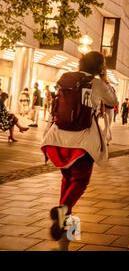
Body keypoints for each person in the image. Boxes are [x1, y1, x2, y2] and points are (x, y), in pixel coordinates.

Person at [41, 51, 118, 241]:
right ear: (100, 67)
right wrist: (104, 79)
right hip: (83, 140)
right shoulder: (97, 83)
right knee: (81, 180)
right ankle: (63, 210)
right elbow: (113, 102)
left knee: (67, 178)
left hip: (58, 137)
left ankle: (64, 222)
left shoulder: (65, 78)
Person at [102, 80, 116, 145]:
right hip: (108, 110)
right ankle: (107, 138)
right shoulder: (109, 91)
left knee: (108, 125)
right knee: (108, 125)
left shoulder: (110, 91)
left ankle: (105, 138)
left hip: (109, 110)